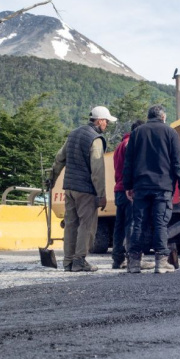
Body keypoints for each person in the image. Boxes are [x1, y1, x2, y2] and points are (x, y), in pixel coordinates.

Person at [49, 106, 116, 272]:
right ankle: (80, 260)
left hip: (69, 187)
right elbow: (97, 170)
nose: (106, 124)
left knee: (71, 225)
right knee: (87, 225)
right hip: (85, 190)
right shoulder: (96, 139)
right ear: (99, 121)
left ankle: (68, 262)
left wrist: (51, 179)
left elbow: (60, 158)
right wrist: (101, 195)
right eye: (106, 121)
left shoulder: (73, 134)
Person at [123, 105, 180, 274]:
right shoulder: (170, 132)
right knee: (160, 223)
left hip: (141, 185)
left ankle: (134, 263)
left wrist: (128, 185)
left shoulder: (137, 133)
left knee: (138, 223)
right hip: (163, 186)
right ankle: (161, 262)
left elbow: (128, 162)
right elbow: (177, 161)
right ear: (163, 116)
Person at [112, 119, 153, 271]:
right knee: (132, 224)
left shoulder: (119, 145)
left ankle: (117, 259)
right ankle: (133, 258)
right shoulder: (132, 144)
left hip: (118, 189)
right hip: (129, 189)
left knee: (120, 225)